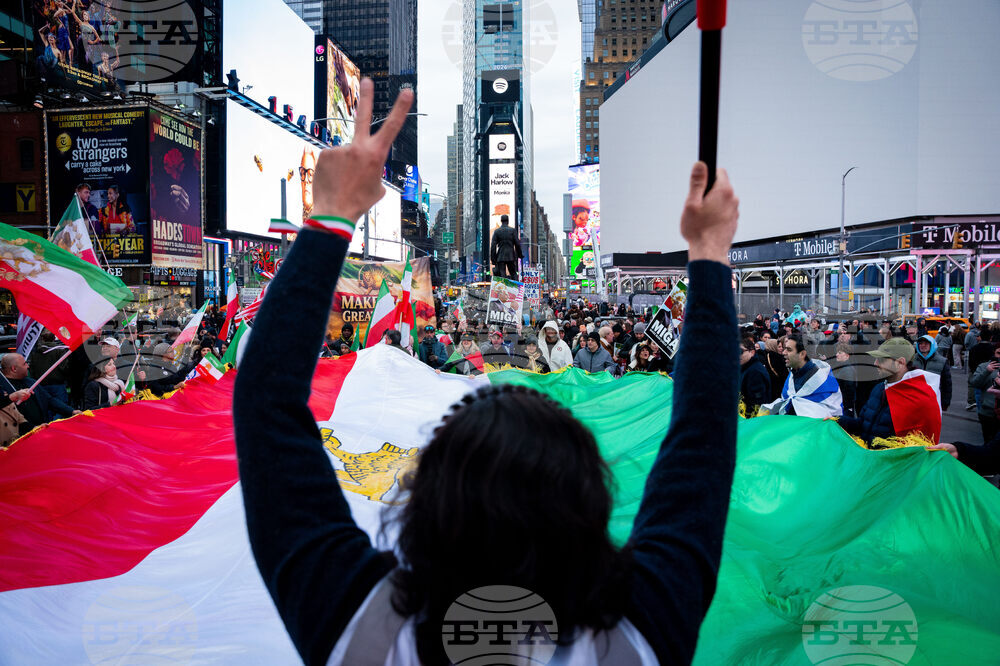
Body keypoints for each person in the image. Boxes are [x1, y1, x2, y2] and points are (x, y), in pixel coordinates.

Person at [232, 76, 741, 666]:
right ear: (589, 520)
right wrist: (708, 256)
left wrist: (331, 218)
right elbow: (703, 437)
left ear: (422, 514)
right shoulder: (638, 639)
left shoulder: (364, 633)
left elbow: (263, 403)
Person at [839, 338, 943, 445]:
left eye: (882, 360)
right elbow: (863, 424)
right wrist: (838, 421)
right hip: (870, 458)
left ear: (900, 362)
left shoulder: (920, 398)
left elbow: (918, 447)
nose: (875, 363)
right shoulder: (879, 388)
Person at [761, 335, 843, 418]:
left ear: (802, 354)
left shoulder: (821, 380)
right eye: (784, 348)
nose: (783, 352)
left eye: (789, 349)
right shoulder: (792, 375)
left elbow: (831, 413)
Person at [969, 346, 1000, 444]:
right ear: (994, 353)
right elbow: (974, 383)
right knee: (989, 442)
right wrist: (987, 371)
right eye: (999, 353)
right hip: (988, 411)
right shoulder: (984, 366)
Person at [913, 335, 952, 412]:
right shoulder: (912, 360)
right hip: (915, 400)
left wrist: (945, 402)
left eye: (926, 343)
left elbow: (946, 384)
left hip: (933, 400)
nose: (923, 345)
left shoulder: (942, 361)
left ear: (932, 345)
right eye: (921, 343)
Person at [739, 337, 771, 412]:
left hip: (752, 420)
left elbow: (757, 404)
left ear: (752, 352)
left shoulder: (755, 372)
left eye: (740, 351)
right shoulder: (745, 367)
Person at [489, 214, 523, 280]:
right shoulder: (513, 231)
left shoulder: (497, 231)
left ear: (501, 221)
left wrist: (493, 259)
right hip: (511, 256)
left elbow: (493, 246)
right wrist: (520, 254)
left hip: (500, 256)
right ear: (508, 221)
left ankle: (503, 289)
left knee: (502, 275)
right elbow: (517, 244)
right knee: (513, 273)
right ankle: (515, 289)